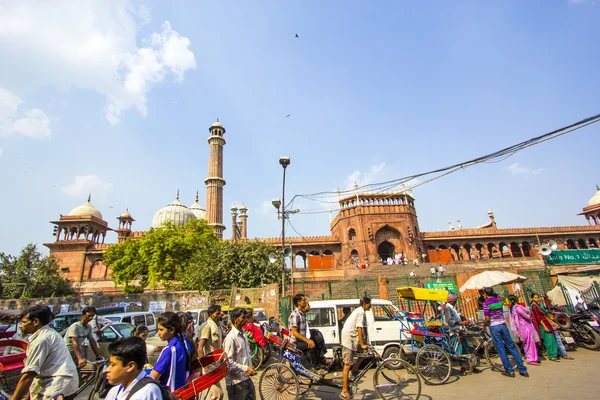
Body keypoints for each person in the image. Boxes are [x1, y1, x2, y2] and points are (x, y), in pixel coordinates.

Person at [10, 305, 78, 400]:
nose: (21, 326)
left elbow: (29, 375)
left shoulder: (41, 340)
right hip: (62, 382)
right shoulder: (50, 333)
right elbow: (35, 375)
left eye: (24, 322)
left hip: (56, 384)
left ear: (36, 322)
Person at [483, 287, 528, 378]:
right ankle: (522, 369)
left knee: (501, 348)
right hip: (503, 325)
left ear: (485, 294)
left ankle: (509, 371)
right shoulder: (499, 301)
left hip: (494, 326)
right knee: (511, 346)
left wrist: (484, 325)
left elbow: (487, 318)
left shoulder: (486, 303)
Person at [150, 312, 192, 391]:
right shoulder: (181, 342)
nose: (158, 333)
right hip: (180, 389)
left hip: (171, 393)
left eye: (161, 330)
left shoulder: (169, 349)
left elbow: (153, 377)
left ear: (171, 330)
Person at [340, 297, 371, 400]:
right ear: (366, 304)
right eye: (369, 304)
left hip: (352, 338)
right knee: (347, 365)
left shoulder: (359, 311)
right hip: (348, 338)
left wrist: (363, 342)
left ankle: (355, 370)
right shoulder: (361, 312)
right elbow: (359, 328)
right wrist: (362, 343)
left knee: (364, 353)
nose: (370, 306)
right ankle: (344, 391)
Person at [223, 308, 256, 400]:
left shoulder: (244, 333)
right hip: (236, 383)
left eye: (246, 317)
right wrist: (246, 368)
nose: (245, 320)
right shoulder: (231, 338)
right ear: (235, 319)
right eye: (242, 317)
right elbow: (228, 363)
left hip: (245, 379)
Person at [288, 293, 327, 371]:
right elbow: (295, 333)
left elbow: (307, 309)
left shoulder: (302, 314)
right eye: (303, 300)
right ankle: (314, 367)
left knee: (317, 340)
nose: (305, 302)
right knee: (311, 345)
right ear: (299, 302)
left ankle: (319, 361)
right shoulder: (295, 315)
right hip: (295, 342)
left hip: (300, 340)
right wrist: (307, 340)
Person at [199, 305, 224, 400]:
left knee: (214, 394)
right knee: (218, 393)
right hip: (209, 366)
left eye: (220, 313)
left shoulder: (218, 326)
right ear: (210, 315)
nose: (219, 315)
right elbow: (200, 348)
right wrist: (206, 367)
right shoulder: (208, 327)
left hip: (216, 364)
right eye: (217, 314)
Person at [508, 295, 540, 365]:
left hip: (522, 327)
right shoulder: (517, 308)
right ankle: (531, 359)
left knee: (527, 343)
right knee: (529, 342)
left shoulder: (512, 308)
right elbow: (526, 316)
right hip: (525, 326)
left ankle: (532, 358)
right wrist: (530, 315)